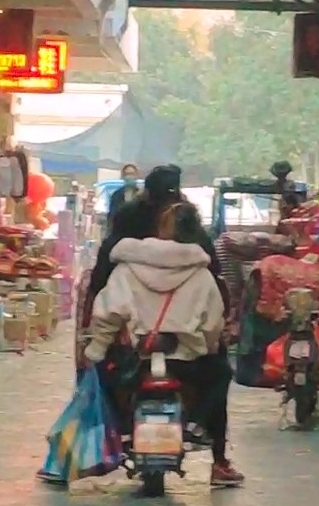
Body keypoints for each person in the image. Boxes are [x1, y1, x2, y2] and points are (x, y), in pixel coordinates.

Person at [85, 201, 243, 487]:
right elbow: (212, 324)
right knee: (222, 374)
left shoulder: (127, 269)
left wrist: (96, 349)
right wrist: (205, 346)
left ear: (160, 230)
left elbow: (107, 314)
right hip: (187, 363)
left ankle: (117, 432)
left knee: (101, 378)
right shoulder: (201, 273)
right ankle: (212, 452)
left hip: (136, 361)